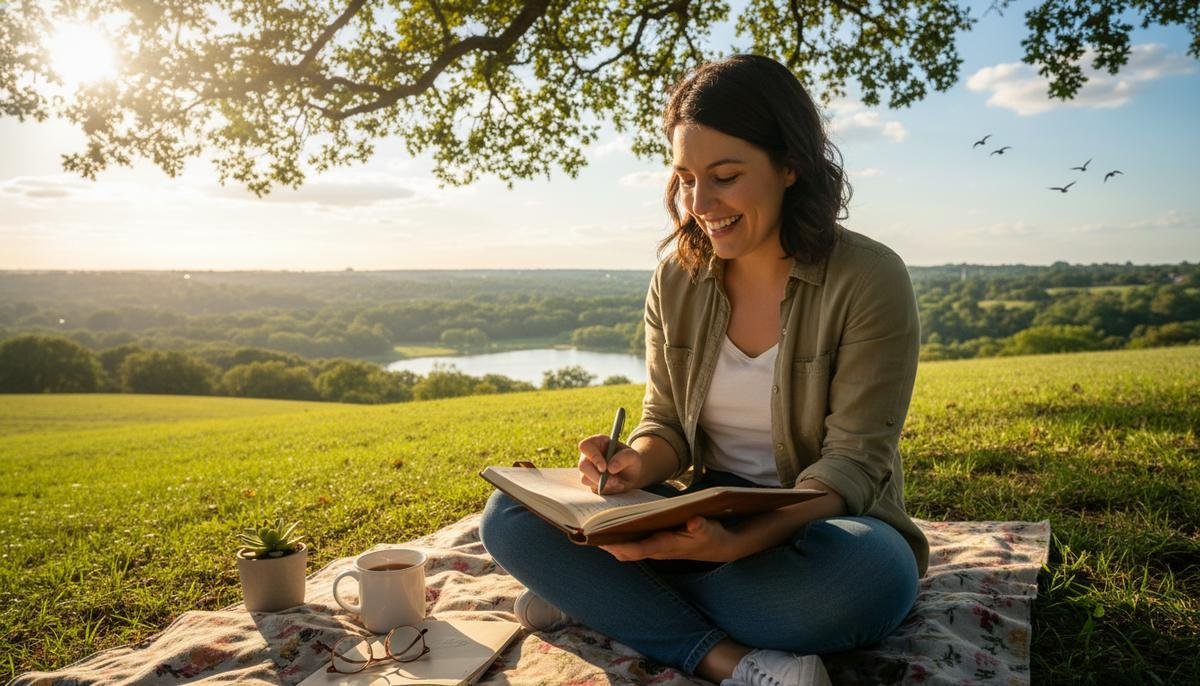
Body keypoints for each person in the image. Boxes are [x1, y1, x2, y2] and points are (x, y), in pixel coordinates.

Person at [480, 54, 927, 686]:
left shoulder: (869, 278)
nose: (699, 203)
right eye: (685, 178)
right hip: (699, 518)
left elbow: (853, 463)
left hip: (824, 528)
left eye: (724, 176)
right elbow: (665, 425)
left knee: (853, 587)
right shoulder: (676, 276)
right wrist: (636, 461)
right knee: (509, 517)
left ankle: (604, 600)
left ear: (790, 166)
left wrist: (740, 542)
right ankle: (728, 661)